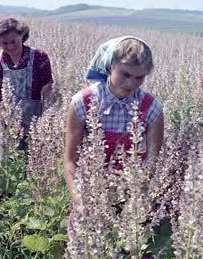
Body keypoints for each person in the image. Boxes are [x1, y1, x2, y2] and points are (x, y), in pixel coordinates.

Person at [64, 37, 164, 204]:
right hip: (90, 190)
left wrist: (139, 199)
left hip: (133, 194)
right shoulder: (82, 102)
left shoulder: (152, 108)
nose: (131, 83)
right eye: (125, 74)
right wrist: (79, 197)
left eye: (139, 78)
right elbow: (70, 161)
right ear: (110, 67)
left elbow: (152, 162)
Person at [0, 18, 53, 157]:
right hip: (4, 122)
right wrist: (5, 117)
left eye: (13, 41)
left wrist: (46, 118)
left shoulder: (39, 57)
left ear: (21, 35)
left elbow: (47, 89)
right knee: (3, 165)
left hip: (34, 122)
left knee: (33, 164)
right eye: (4, 43)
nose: (10, 46)